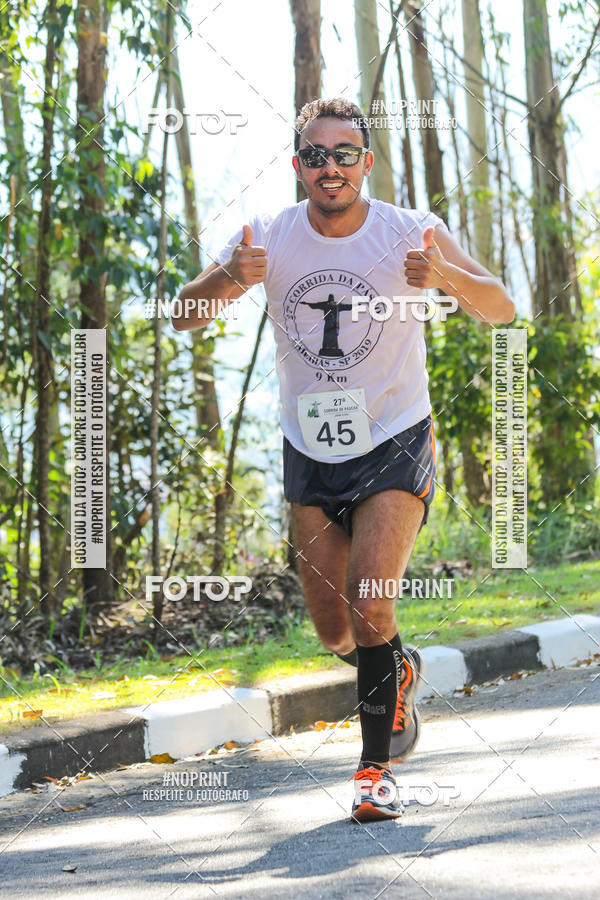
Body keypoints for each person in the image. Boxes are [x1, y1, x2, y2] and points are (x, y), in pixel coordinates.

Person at [174, 97, 514, 823]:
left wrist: (444, 278)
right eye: (317, 155)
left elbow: (502, 307)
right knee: (336, 630)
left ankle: (373, 775)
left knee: (371, 607)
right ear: (299, 166)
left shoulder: (409, 232)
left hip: (394, 437)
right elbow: (182, 312)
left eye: (346, 153)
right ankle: (400, 670)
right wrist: (229, 277)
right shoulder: (267, 236)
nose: (332, 166)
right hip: (310, 452)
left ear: (366, 162)